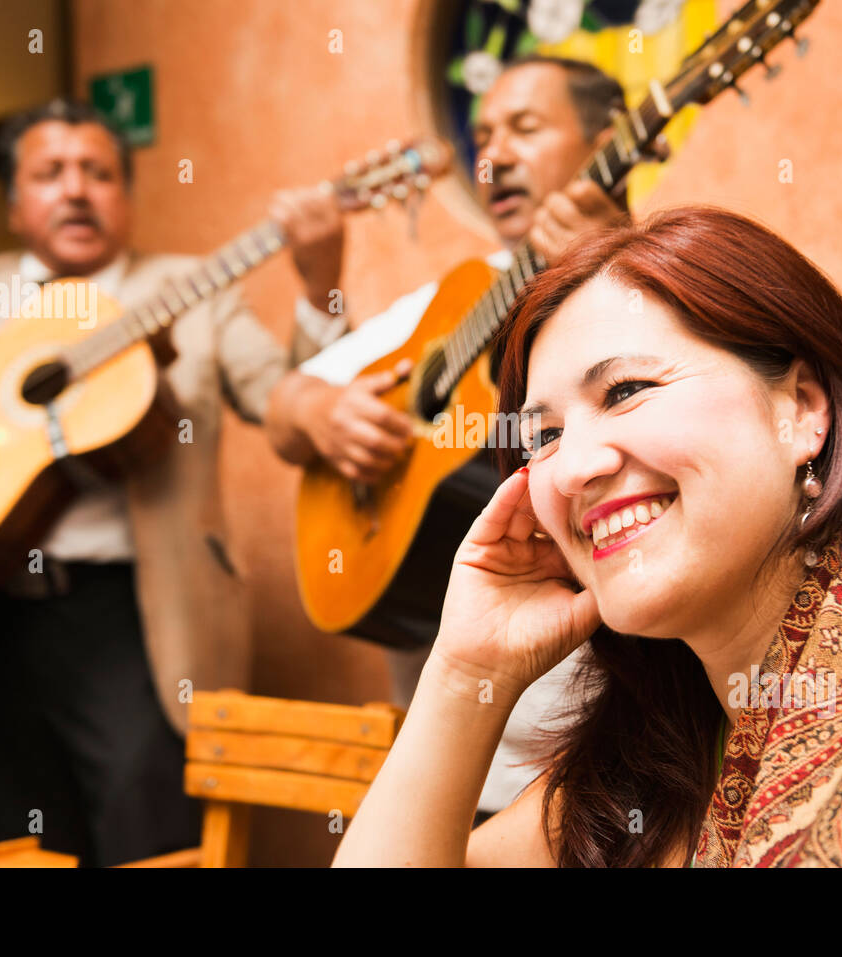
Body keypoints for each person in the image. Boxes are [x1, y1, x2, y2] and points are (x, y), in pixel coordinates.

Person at [333, 206, 842, 867]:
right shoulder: (642, 771)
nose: (572, 466)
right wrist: (466, 668)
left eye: (626, 389)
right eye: (541, 437)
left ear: (802, 411)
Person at [0, 99, 347, 866]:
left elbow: (293, 407)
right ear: (13, 205)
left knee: (148, 844)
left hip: (138, 622)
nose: (76, 189)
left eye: (99, 173)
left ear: (128, 198)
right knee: (0, 851)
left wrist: (320, 291)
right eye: (50, 173)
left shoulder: (193, 288)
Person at [265, 56, 630, 817]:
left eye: (525, 128)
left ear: (612, 140)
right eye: (484, 135)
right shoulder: (459, 292)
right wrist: (319, 413)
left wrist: (616, 266)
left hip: (611, 769)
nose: (493, 155)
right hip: (447, 780)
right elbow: (284, 407)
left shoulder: (668, 272)